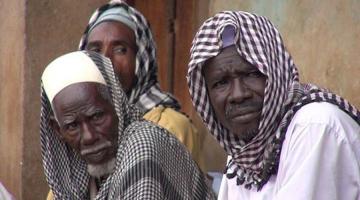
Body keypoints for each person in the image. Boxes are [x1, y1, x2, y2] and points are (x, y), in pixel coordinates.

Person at [187, 11, 360, 199]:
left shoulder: (314, 127)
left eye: (251, 74)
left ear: (276, 72)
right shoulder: (245, 153)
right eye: (221, 83)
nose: (238, 95)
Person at [40, 51, 215, 199]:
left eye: (97, 116)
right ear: (58, 129)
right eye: (72, 126)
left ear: (116, 105)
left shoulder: (143, 146)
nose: (89, 136)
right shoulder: (75, 174)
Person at [78, 0, 204, 171]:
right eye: (95, 50)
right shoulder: (76, 128)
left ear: (141, 60)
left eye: (120, 49)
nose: (105, 60)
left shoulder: (168, 127)